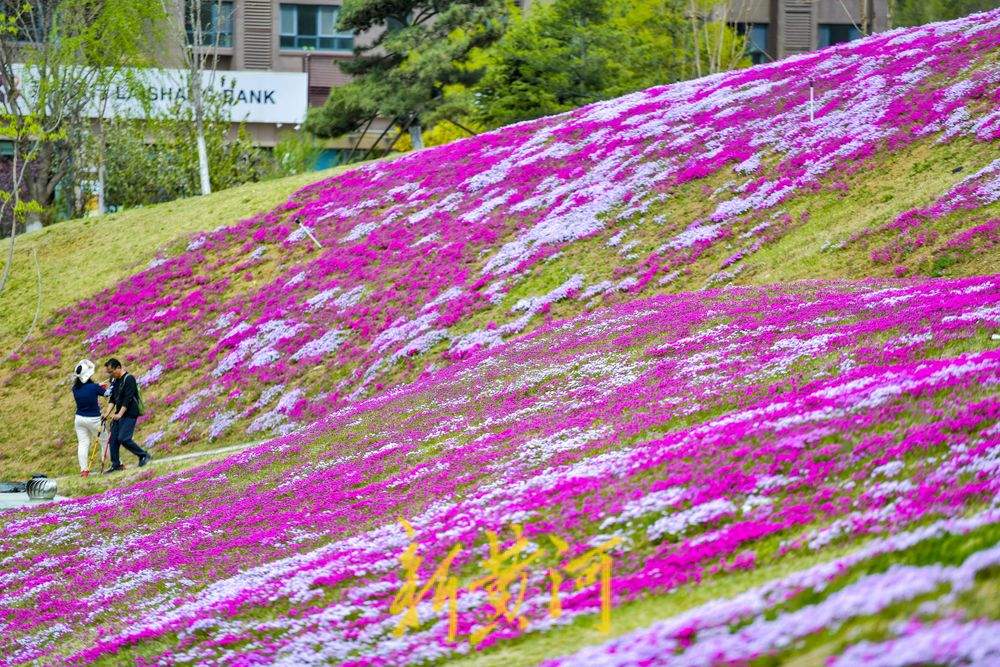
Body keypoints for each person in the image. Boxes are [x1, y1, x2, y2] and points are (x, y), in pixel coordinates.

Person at [104, 358, 151, 473]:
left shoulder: (129, 379)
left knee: (124, 438)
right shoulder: (115, 381)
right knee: (113, 440)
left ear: (119, 368)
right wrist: (106, 414)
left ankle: (144, 455)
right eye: (109, 372)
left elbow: (128, 399)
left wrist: (120, 414)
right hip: (118, 414)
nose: (111, 374)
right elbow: (112, 399)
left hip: (129, 413)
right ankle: (116, 465)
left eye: (112, 371)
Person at [71, 359, 108, 477]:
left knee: (83, 443)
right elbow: (107, 394)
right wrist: (101, 387)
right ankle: (112, 464)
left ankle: (84, 470)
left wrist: (98, 386)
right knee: (105, 441)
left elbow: (89, 390)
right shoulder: (94, 387)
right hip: (94, 419)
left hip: (79, 419)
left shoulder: (75, 389)